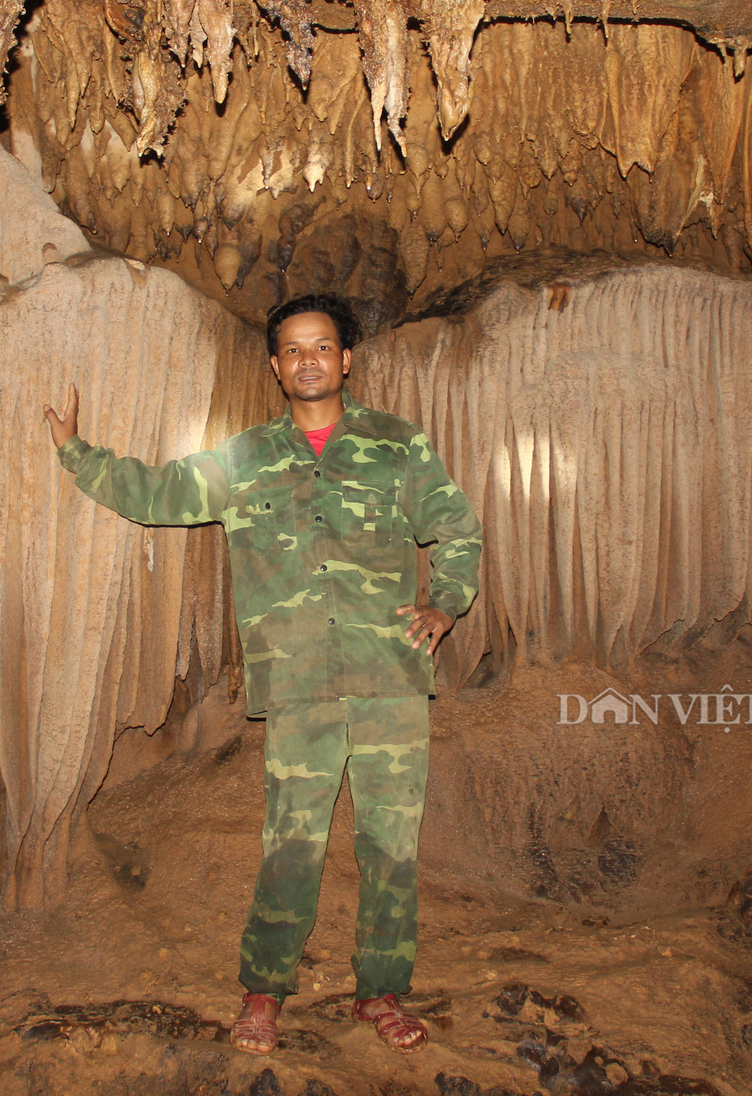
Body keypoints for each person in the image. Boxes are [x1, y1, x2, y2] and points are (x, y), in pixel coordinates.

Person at [42, 293, 482, 1056]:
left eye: (322, 346)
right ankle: (263, 992)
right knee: (292, 842)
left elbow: (456, 528)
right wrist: (79, 453)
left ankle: (381, 990)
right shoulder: (247, 457)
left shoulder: (397, 445)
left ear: (345, 359)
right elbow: (161, 494)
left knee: (390, 844)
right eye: (293, 349)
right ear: (277, 366)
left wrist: (445, 603)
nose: (308, 359)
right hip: (301, 684)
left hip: (389, 682)